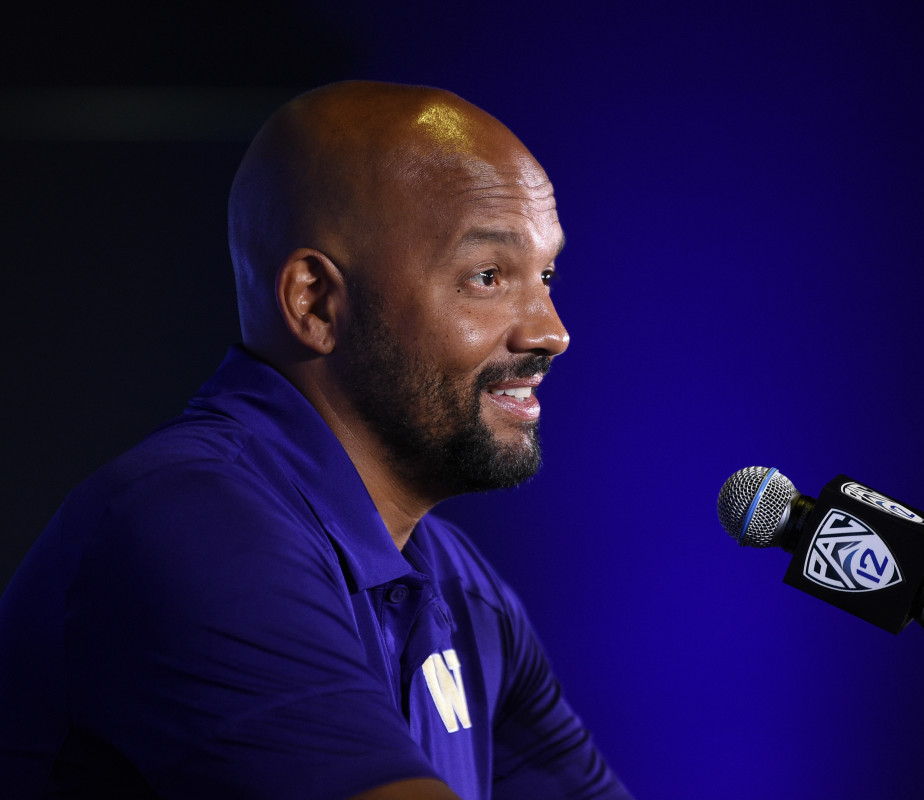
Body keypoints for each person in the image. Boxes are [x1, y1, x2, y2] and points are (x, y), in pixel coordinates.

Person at [0, 81, 632, 800]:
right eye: (488, 277)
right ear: (315, 302)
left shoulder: (461, 590)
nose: (551, 331)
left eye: (545, 275)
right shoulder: (189, 526)